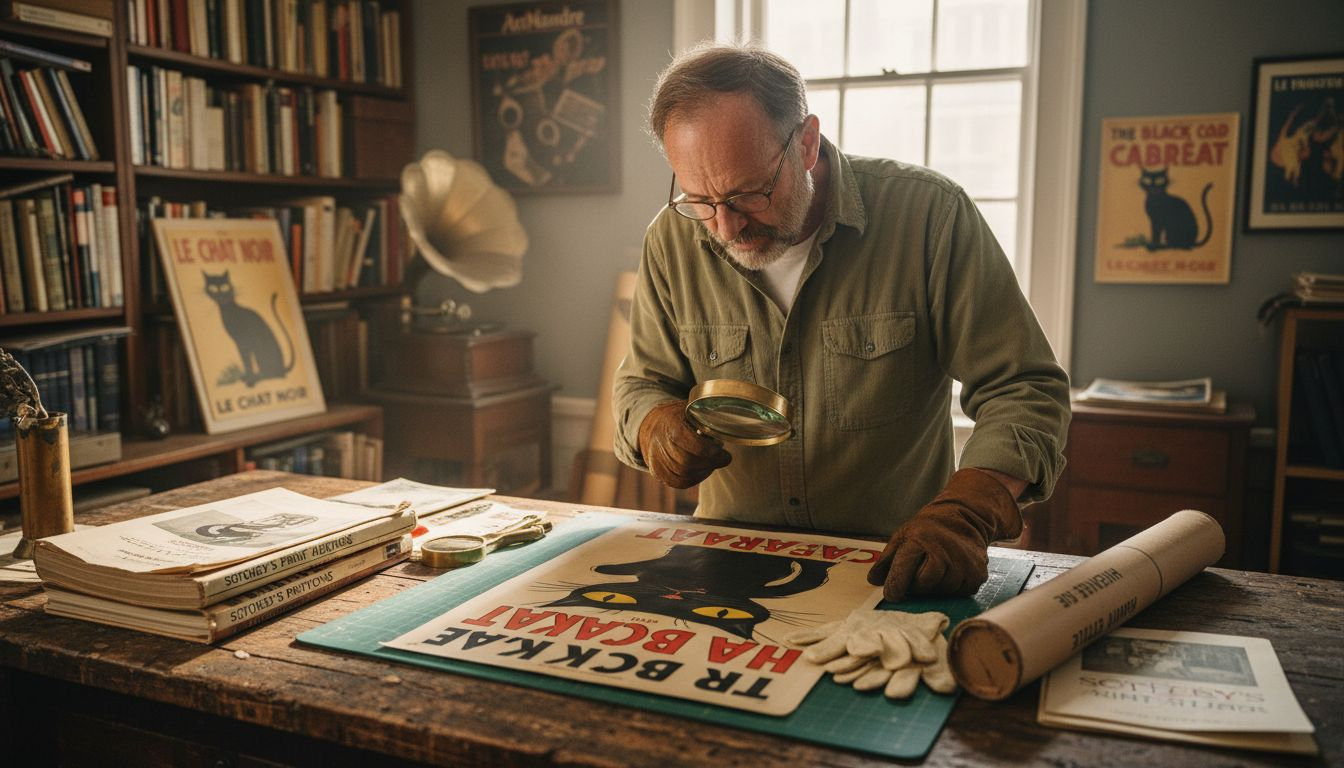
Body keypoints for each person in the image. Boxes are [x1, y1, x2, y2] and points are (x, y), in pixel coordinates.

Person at [612, 42, 1071, 602]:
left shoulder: (930, 217)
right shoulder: (672, 239)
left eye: (749, 194)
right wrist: (654, 424)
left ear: (806, 143)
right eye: (700, 199)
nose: (726, 228)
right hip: (729, 564)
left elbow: (1024, 386)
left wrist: (969, 509)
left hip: (898, 567)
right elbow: (642, 382)